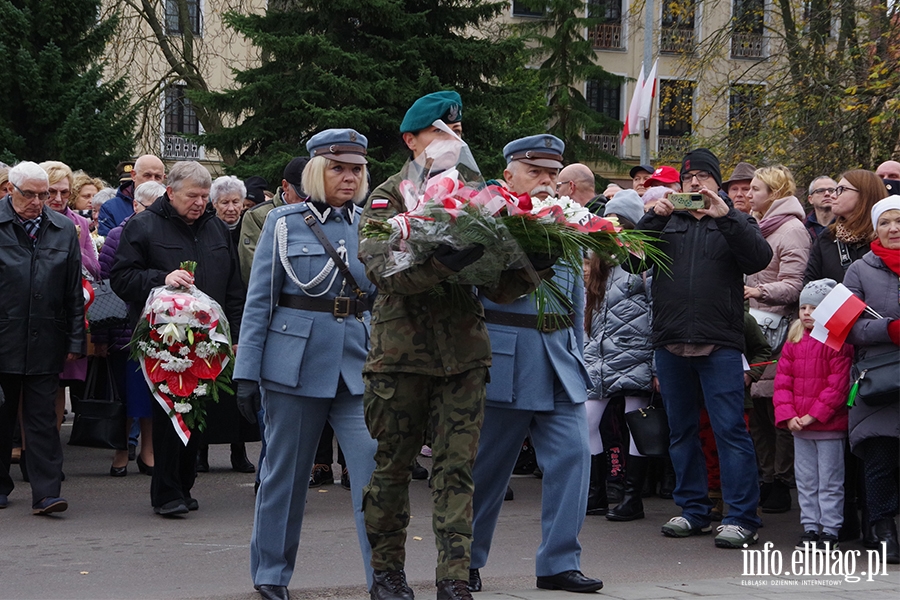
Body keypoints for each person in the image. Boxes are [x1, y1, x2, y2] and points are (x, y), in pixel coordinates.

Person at [359, 91, 540, 600]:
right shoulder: (387, 198)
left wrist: (538, 257)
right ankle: (388, 574)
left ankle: (454, 579)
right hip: (400, 361)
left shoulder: (479, 195)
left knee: (457, 472)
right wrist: (444, 262)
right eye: (441, 133)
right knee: (392, 470)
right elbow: (382, 274)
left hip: (463, 358)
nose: (452, 141)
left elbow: (502, 288)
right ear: (411, 141)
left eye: (456, 133)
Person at [233, 129, 378, 600]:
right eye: (338, 167)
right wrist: (246, 373)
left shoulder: (373, 226)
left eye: (356, 169)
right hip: (293, 363)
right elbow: (260, 304)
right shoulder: (282, 223)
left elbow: (379, 299)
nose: (349, 177)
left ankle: (385, 576)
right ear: (317, 170)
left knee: (374, 476)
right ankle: (272, 574)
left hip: (356, 363)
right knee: (285, 476)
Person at [469, 134, 603, 595]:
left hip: (558, 361)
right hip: (503, 361)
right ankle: (465, 560)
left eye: (553, 173)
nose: (547, 181)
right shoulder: (488, 221)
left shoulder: (567, 226)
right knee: (487, 470)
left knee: (572, 460)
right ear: (509, 175)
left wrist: (578, 355)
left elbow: (578, 301)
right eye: (535, 172)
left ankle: (558, 563)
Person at [632, 148, 772, 549]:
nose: (695, 184)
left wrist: (724, 217)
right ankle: (693, 511)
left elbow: (759, 257)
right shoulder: (667, 221)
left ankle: (742, 517)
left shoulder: (735, 220)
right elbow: (631, 263)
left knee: (730, 430)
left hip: (721, 343)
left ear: (717, 183)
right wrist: (651, 217)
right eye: (688, 179)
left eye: (704, 178)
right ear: (679, 186)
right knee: (681, 432)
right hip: (670, 340)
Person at [111, 161, 245, 517]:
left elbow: (233, 286)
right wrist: (162, 278)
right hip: (163, 339)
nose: (200, 203)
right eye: (193, 196)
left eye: (205, 196)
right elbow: (122, 277)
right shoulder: (143, 225)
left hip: (208, 339)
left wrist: (234, 332)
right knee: (170, 414)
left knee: (197, 414)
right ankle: (166, 493)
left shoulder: (217, 228)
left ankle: (184, 486)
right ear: (170, 193)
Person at [0, 161, 84, 514]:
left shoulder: (63, 229)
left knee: (42, 421)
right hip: (4, 335)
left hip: (45, 337)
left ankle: (47, 492)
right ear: (10, 192)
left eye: (43, 194)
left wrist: (75, 341)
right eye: (30, 194)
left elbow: (72, 292)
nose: (38, 201)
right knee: (1, 416)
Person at [582, 189, 654, 522]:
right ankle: (595, 493)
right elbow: (592, 312)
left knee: (637, 422)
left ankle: (631, 497)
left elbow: (655, 309)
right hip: (600, 355)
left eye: (620, 223)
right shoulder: (598, 258)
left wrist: (655, 364)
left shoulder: (646, 258)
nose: (615, 230)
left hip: (637, 352)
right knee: (587, 421)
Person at [744, 165, 811, 514]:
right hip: (755, 327)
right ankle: (766, 476)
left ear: (774, 192)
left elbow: (796, 284)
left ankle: (782, 482)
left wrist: (758, 290)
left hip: (781, 329)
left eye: (756, 189)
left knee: (778, 410)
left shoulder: (793, 230)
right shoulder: (759, 227)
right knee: (756, 411)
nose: (748, 194)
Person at [773, 279, 854, 551]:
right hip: (800, 427)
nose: (807, 312)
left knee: (830, 481)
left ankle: (830, 529)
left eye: (815, 307)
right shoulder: (794, 340)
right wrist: (789, 415)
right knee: (806, 480)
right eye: (803, 307)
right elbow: (782, 381)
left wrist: (812, 416)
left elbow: (838, 384)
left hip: (827, 426)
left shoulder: (837, 343)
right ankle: (810, 527)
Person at [843, 196, 900, 564]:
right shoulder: (859, 271)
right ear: (875, 228)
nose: (894, 229)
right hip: (879, 378)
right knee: (880, 455)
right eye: (886, 223)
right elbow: (845, 327)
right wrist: (889, 329)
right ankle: (881, 528)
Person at [97, 180, 165, 477]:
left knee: (150, 392)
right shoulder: (116, 234)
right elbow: (104, 286)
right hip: (121, 329)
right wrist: (100, 336)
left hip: (154, 327)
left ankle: (148, 449)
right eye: (147, 207)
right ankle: (121, 448)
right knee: (124, 396)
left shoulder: (165, 234)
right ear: (135, 205)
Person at [805, 170, 889, 285]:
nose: (833, 196)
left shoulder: (889, 236)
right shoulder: (827, 237)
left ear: (865, 194)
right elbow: (809, 285)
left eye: (841, 190)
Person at [239, 157, 309, 285]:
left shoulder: (319, 213)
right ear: (285, 186)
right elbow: (252, 267)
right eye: (301, 193)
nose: (307, 199)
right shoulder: (257, 216)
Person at [97, 155, 166, 236]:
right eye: (147, 175)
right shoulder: (110, 208)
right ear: (133, 175)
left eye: (158, 177)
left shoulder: (171, 206)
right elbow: (110, 244)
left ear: (163, 178)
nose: (152, 181)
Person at [210, 175, 246, 245]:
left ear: (242, 203)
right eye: (225, 203)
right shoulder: (206, 228)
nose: (231, 208)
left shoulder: (250, 227)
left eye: (235, 202)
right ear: (214, 204)